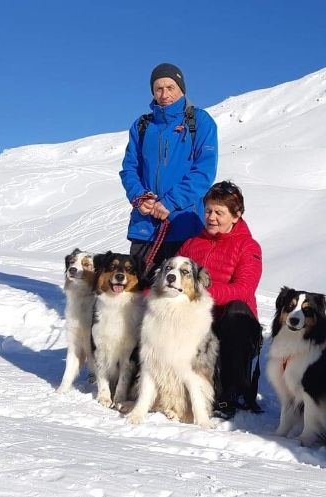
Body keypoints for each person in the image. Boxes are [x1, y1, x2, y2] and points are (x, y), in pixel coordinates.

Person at [177, 181, 263, 419]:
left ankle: (229, 393)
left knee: (237, 311)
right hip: (194, 320)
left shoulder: (248, 246)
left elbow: (244, 289)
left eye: (219, 213)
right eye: (208, 211)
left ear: (236, 216)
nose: (211, 217)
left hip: (229, 324)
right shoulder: (191, 244)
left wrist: (201, 292)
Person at [120, 63, 218, 269]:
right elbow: (130, 168)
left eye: (170, 87)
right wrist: (139, 198)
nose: (164, 94)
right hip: (145, 226)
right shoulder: (142, 126)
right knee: (139, 292)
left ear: (181, 89)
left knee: (179, 294)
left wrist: (170, 203)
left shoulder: (199, 121)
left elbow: (204, 171)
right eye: (159, 88)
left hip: (184, 223)